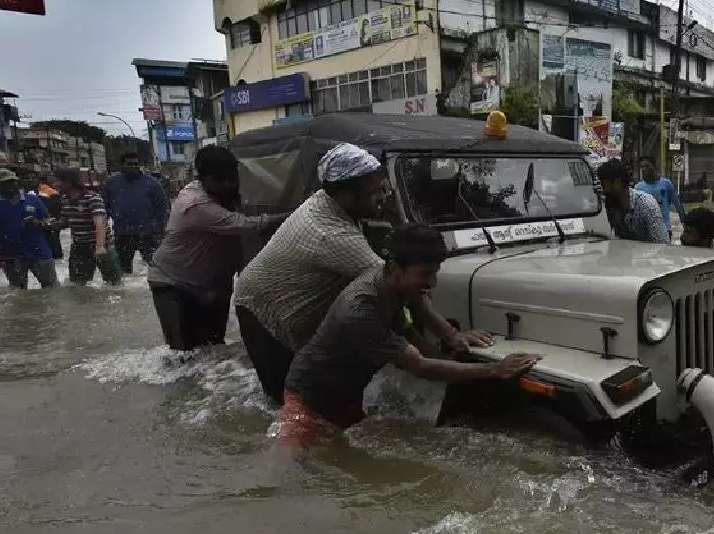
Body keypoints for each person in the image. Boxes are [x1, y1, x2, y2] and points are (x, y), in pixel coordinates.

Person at [236, 143, 487, 405]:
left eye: (382, 188)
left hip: (290, 294)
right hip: (262, 310)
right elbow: (396, 284)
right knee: (287, 402)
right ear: (346, 194)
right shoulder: (330, 234)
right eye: (373, 192)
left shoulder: (333, 202)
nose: (381, 197)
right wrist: (450, 335)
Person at [277, 224, 541, 448]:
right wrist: (495, 370)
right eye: (425, 274)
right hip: (309, 401)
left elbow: (415, 303)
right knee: (299, 470)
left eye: (435, 272)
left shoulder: (391, 283)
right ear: (394, 267)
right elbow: (419, 366)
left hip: (347, 397)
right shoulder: (359, 310)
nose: (433, 282)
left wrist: (451, 335)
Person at [148, 146, 287, 351]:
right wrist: (299, 211)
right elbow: (249, 226)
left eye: (232, 178)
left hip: (215, 284)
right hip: (173, 283)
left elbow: (240, 242)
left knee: (214, 350)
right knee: (182, 355)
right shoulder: (195, 203)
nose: (228, 184)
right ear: (201, 178)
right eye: (220, 180)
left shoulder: (233, 194)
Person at [0, 168, 58, 289]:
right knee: (18, 294)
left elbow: (50, 220)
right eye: (4, 183)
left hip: (39, 253)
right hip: (10, 256)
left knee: (52, 289)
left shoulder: (33, 199)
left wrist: (39, 223)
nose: (10, 186)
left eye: (12, 182)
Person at [103, 152, 170, 273]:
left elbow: (163, 208)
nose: (133, 167)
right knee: (123, 271)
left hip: (148, 233)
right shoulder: (111, 183)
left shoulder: (152, 183)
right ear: (122, 165)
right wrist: (104, 234)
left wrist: (161, 230)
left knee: (156, 267)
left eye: (136, 164)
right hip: (123, 233)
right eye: (130, 164)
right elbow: (104, 208)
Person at [54, 168, 122, 286]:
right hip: (79, 247)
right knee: (76, 285)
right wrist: (49, 224)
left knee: (114, 284)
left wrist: (99, 246)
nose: (55, 184)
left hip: (102, 244)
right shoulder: (65, 200)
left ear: (68, 182)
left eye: (58, 181)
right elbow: (64, 222)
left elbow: (100, 223)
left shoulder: (92, 198)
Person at [598, 158, 668, 243]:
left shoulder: (646, 205)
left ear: (617, 183)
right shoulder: (611, 205)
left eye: (604, 185)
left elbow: (662, 244)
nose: (603, 190)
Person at [635, 157, 686, 240]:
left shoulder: (666, 184)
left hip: (664, 229)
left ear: (654, 166)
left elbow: (678, 204)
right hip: (645, 232)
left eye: (647, 166)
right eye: (642, 167)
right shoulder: (638, 188)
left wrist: (685, 223)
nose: (644, 169)